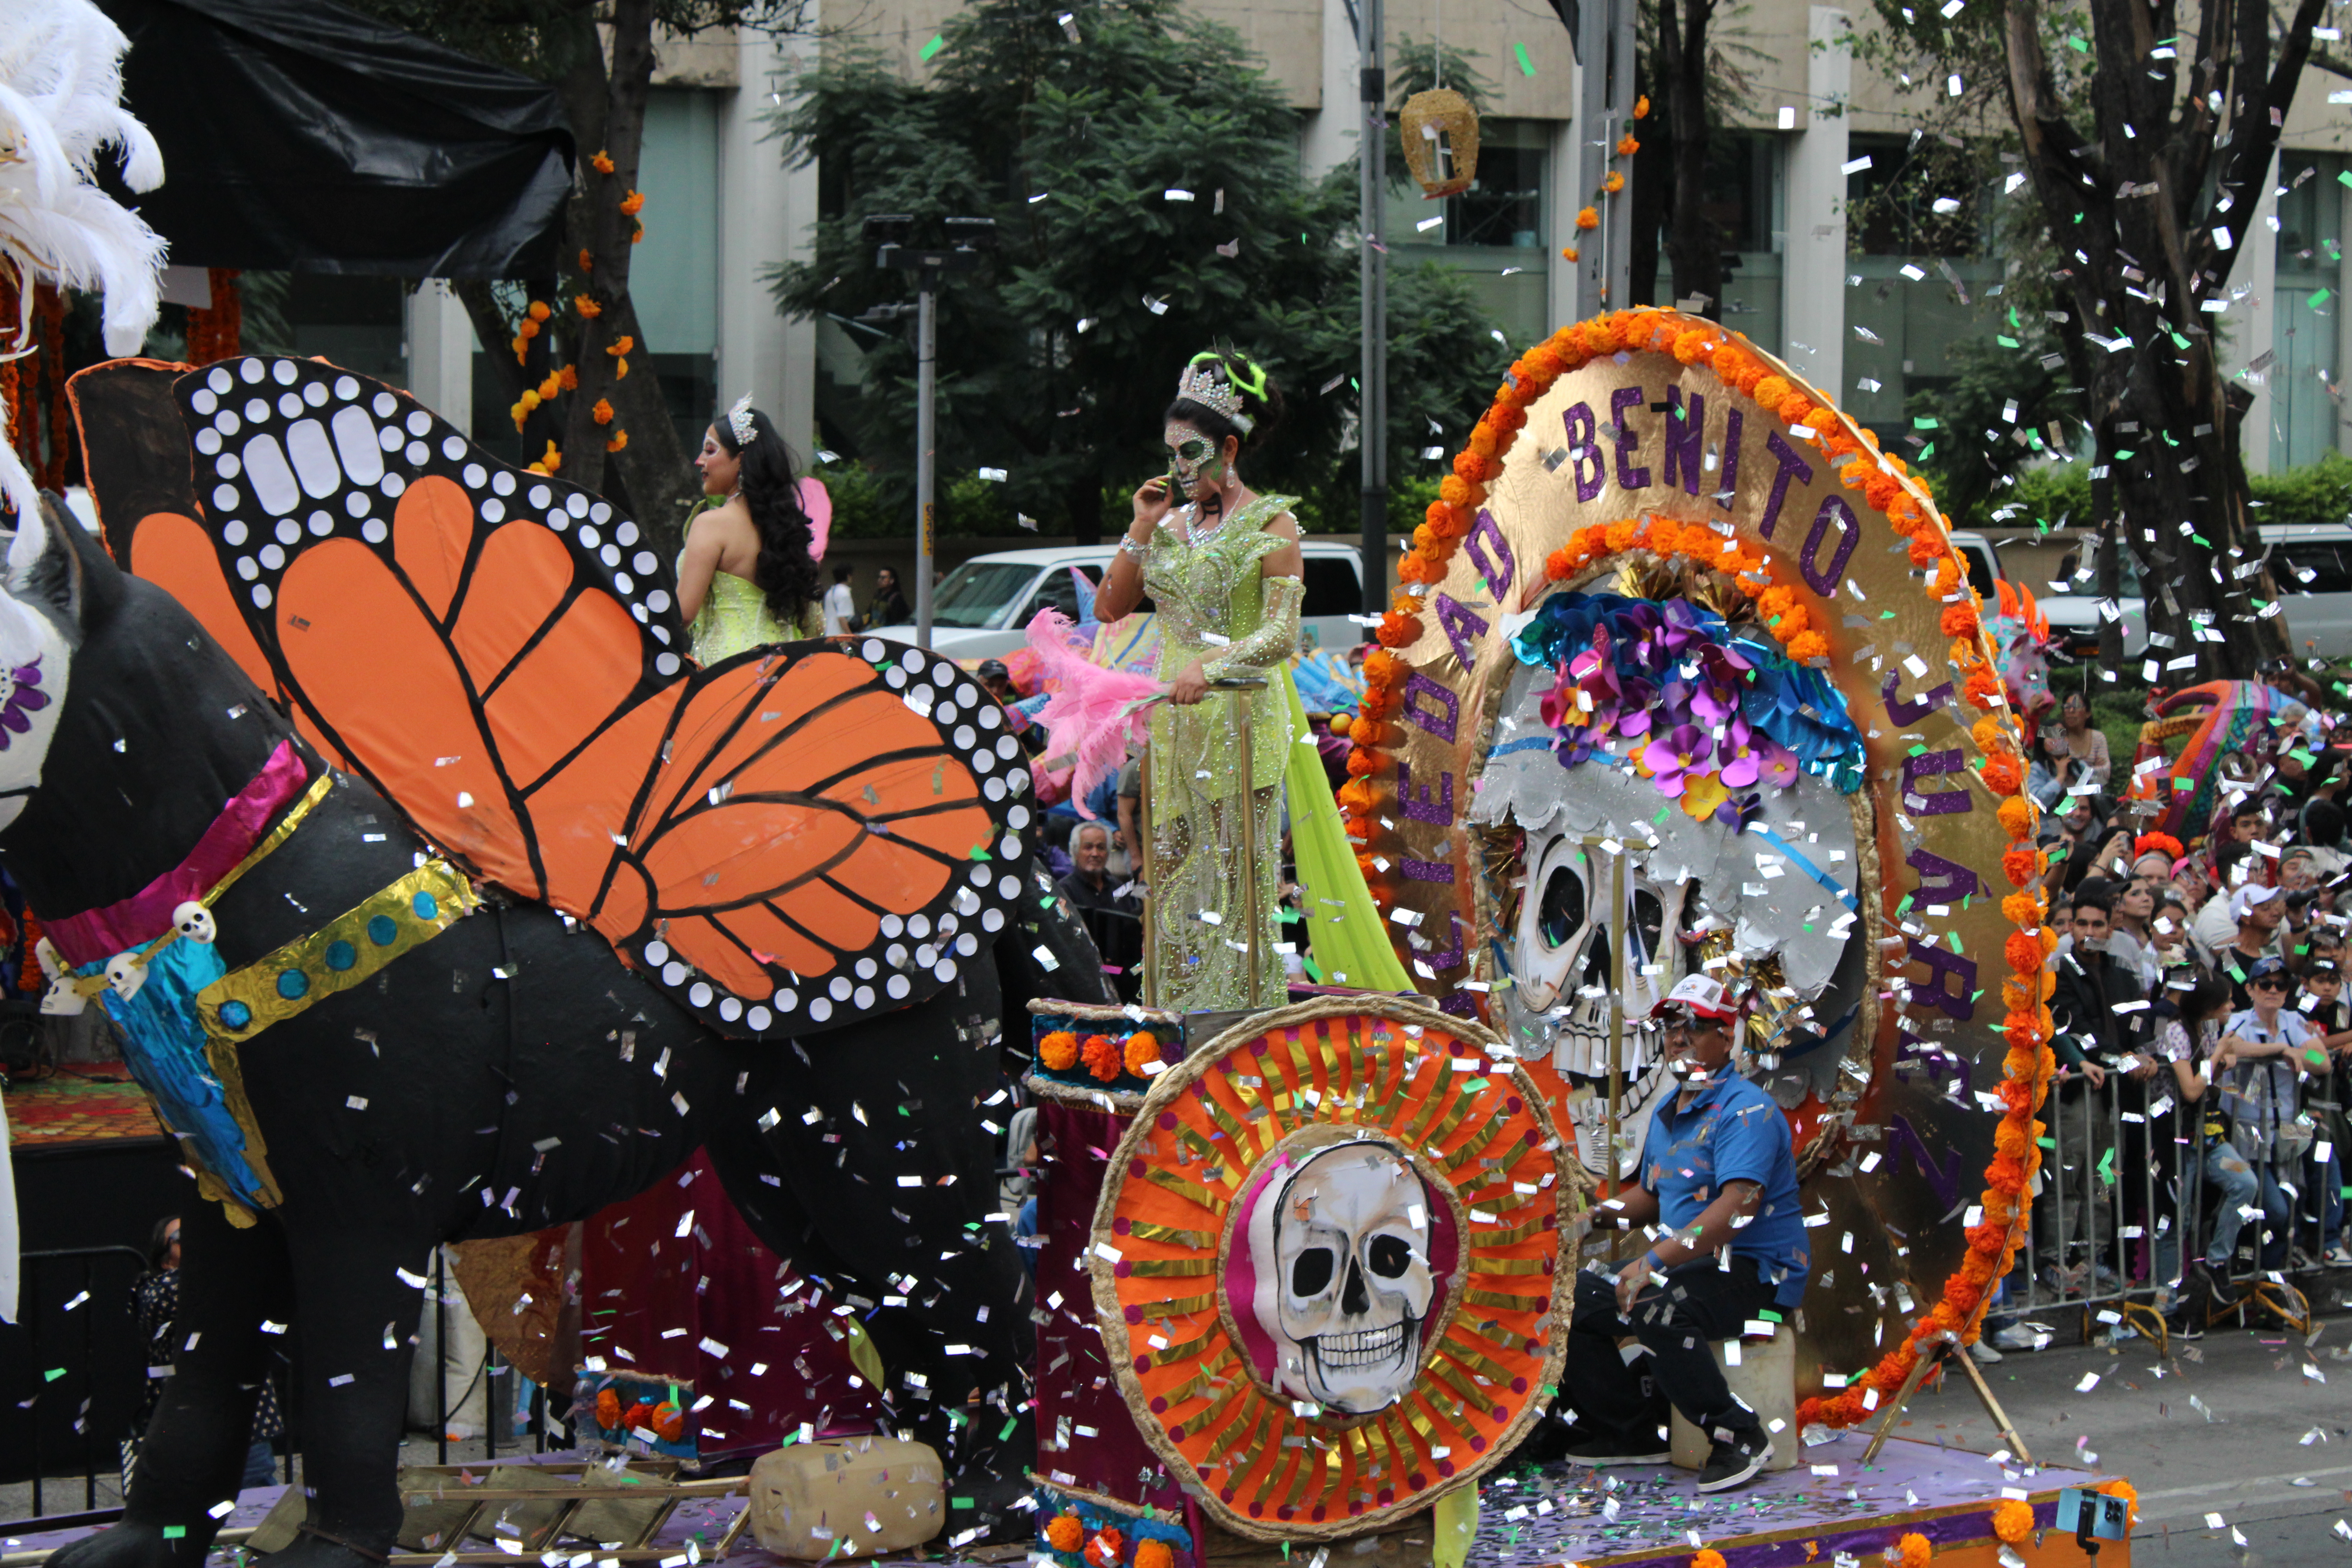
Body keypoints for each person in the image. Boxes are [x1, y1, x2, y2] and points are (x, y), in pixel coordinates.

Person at [1092, 349, 1304, 1011]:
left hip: (1241, 726)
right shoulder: (1169, 525)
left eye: (1192, 454)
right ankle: (1177, 1027)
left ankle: (1243, 1032)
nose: (1179, 469)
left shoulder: (1272, 522)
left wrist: (1208, 667)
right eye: (1172, 454)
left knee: (1240, 894)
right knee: (1178, 887)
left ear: (1230, 448)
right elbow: (1110, 609)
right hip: (1176, 731)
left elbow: (1280, 634)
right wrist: (1139, 526)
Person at [1553, 975, 1803, 1493]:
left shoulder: (1747, 1110)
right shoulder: (1671, 1111)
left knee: (1656, 1305)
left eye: (1691, 1025)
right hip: (1692, 1269)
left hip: (1759, 1275)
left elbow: (1735, 1212)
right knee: (1568, 1301)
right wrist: (1589, 1219)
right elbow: (1650, 1196)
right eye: (1669, 1026)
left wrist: (1653, 1264)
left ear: (1726, 1034)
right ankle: (1632, 1431)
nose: (1676, 1037)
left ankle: (1739, 1435)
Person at [131, 1216, 281, 1489]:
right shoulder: (157, 1291)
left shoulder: (236, 1274)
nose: (199, 1240)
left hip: (246, 1431)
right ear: (166, 1260)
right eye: (183, 1237)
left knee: (255, 1515)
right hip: (188, 1434)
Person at [679, 397, 824, 663]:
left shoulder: (711, 524)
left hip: (728, 672)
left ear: (741, 461)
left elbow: (683, 615)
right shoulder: (785, 528)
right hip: (788, 671)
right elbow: (815, 626)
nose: (699, 461)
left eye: (710, 451)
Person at [2214, 956, 2315, 1272]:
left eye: (2281, 985)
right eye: (2265, 984)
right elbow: (2232, 1048)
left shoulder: (2294, 1021)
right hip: (2247, 1129)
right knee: (2274, 1208)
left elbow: (2322, 1059)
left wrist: (2301, 1052)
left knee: (2313, 1186)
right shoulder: (2239, 1020)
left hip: (2288, 1128)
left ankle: (2276, 1272)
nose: (2273, 990)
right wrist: (2281, 1051)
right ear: (2251, 989)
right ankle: (2251, 1269)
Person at [1059, 822, 1142, 998]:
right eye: (1088, 847)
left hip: (1121, 981)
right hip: (1084, 981)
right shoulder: (1065, 891)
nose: (1095, 854)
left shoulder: (1118, 888)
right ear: (1075, 851)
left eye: (1101, 848)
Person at [2058, 691, 2111, 787]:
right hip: (2062, 795)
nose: (2071, 711)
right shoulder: (2055, 736)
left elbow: (2106, 773)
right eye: (2067, 707)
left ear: (2088, 713)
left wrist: (2073, 770)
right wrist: (2092, 768)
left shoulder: (2098, 737)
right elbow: (2054, 771)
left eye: (2077, 706)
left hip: (2090, 795)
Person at [866, 565, 910, 629]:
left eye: (883, 578)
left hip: (887, 632)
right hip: (874, 631)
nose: (880, 580)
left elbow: (898, 620)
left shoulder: (896, 598)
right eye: (879, 577)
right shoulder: (878, 596)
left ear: (892, 580)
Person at [822, 563, 859, 637]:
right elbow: (842, 618)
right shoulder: (844, 593)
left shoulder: (831, 592)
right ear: (848, 576)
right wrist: (851, 637)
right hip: (839, 637)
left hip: (828, 634)